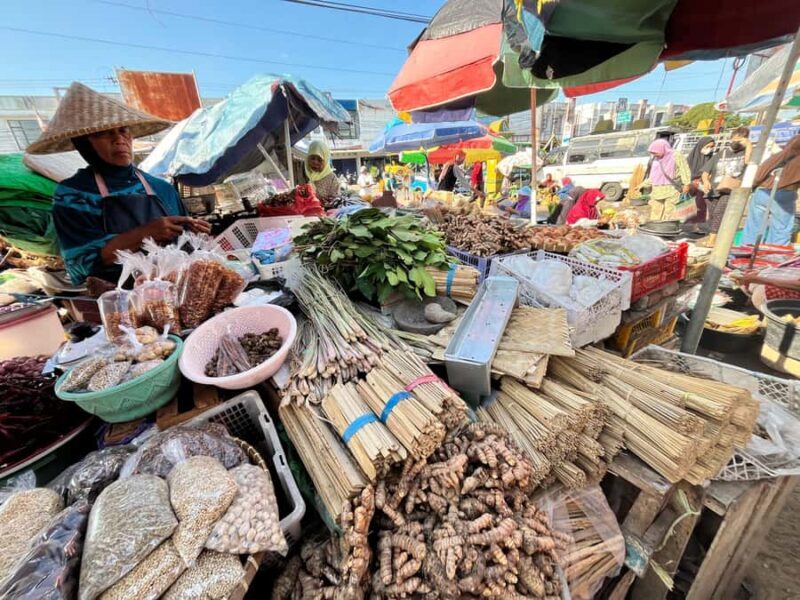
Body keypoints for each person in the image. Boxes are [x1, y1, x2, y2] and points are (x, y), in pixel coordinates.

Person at [25, 82, 209, 285]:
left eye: (123, 131)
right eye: (103, 133)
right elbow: (79, 266)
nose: (118, 139)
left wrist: (193, 233)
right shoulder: (74, 194)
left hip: (179, 289)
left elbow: (186, 247)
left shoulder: (161, 187)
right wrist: (143, 234)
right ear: (83, 143)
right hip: (122, 300)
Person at [741, 135, 800, 245]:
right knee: (780, 230)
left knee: (753, 227)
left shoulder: (782, 153)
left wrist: (754, 185)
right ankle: (772, 257)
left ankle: (746, 255)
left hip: (763, 191)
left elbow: (759, 174)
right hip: (785, 194)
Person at [707, 126, 751, 233]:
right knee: (712, 215)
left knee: (719, 212)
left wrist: (749, 145)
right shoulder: (722, 153)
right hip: (714, 188)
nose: (736, 141)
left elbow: (748, 162)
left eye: (740, 139)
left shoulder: (746, 153)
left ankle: (713, 240)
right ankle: (713, 236)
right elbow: (706, 171)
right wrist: (705, 182)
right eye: (735, 138)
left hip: (731, 188)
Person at [646, 138, 691, 222]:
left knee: (670, 212)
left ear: (662, 148)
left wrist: (687, 184)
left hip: (671, 189)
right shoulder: (656, 158)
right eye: (652, 153)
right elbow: (653, 175)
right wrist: (643, 184)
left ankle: (667, 230)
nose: (654, 154)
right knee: (656, 212)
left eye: (655, 152)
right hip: (657, 190)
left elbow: (684, 169)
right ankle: (655, 230)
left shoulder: (676, 155)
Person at [685, 136, 717, 225]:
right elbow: (685, 172)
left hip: (702, 186)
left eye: (712, 147)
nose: (709, 149)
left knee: (700, 205)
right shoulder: (691, 157)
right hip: (690, 185)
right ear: (701, 146)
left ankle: (696, 226)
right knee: (688, 205)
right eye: (707, 146)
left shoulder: (711, 158)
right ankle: (686, 223)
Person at [305, 139, 340, 204]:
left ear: (325, 160)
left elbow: (336, 199)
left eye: (319, 159)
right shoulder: (303, 174)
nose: (315, 162)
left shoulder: (331, 177)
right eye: (313, 158)